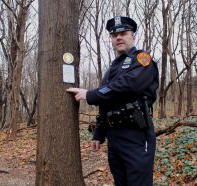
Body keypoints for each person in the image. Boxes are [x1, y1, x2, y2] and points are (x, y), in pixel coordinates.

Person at [67, 16, 159, 186]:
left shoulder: (142, 60)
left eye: (123, 33)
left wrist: (91, 94)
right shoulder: (112, 68)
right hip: (114, 137)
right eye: (114, 35)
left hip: (136, 135)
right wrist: (99, 134)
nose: (118, 37)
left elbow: (129, 85)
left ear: (133, 36)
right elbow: (106, 103)